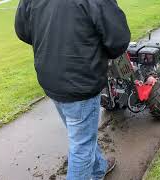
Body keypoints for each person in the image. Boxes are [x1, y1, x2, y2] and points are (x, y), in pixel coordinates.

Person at [15, 0, 131, 179]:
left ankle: (98, 167)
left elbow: (23, 30)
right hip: (81, 83)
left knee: (81, 136)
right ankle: (92, 170)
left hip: (51, 78)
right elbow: (117, 39)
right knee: (82, 147)